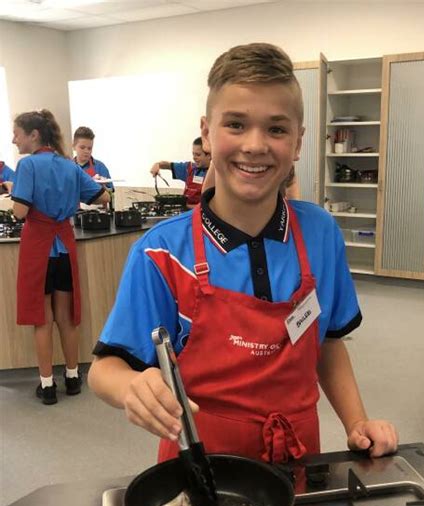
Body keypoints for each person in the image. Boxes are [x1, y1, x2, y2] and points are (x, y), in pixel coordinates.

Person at [89, 43, 398, 463]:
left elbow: (326, 342)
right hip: (202, 463)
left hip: (298, 454)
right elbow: (104, 369)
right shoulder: (160, 252)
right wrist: (131, 388)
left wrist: (356, 421)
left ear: (299, 140)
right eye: (235, 124)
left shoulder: (320, 234)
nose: (255, 145)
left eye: (276, 129)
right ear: (207, 132)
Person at [11, 110, 109, 405]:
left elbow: (19, 212)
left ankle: (47, 385)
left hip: (38, 247)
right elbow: (102, 196)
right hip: (64, 247)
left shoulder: (27, 166)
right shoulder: (69, 166)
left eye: (16, 133)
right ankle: (71, 376)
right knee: (67, 317)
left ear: (34, 135)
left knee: (43, 319)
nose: (13, 139)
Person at [150, 137, 211, 208]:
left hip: (201, 214)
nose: (194, 158)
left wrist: (186, 206)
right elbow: (168, 165)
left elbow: (211, 208)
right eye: (193, 154)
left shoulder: (217, 175)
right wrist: (157, 165)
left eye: (198, 155)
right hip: (186, 212)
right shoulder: (189, 168)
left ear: (209, 155)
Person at [72, 126, 114, 191]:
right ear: (74, 146)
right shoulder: (68, 168)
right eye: (82, 147)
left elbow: (111, 194)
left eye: (89, 148)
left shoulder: (100, 167)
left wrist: (104, 188)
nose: (86, 151)